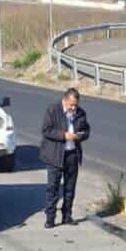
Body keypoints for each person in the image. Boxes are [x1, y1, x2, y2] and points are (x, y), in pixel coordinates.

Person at [40, 88, 90, 228]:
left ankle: (67, 216)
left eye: (76, 105)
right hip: (55, 155)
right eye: (71, 105)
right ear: (65, 100)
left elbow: (87, 130)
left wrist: (80, 135)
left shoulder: (80, 113)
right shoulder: (53, 110)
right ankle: (50, 218)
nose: (73, 108)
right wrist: (64, 135)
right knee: (53, 188)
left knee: (70, 188)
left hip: (72, 155)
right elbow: (46, 130)